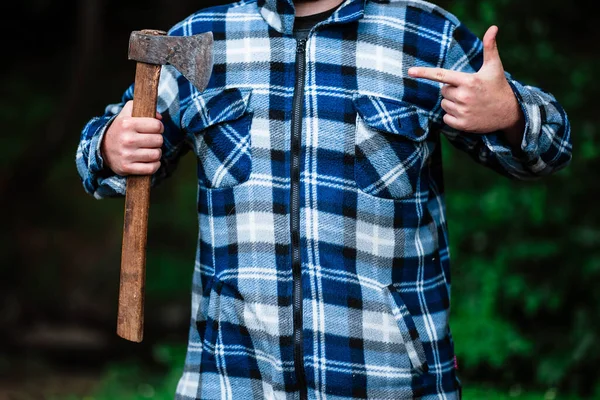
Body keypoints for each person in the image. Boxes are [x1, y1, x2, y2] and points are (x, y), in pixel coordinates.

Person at [76, 0, 572, 398]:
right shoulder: (203, 37)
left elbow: (551, 149)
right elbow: (98, 160)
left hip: (392, 380)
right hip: (232, 378)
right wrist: (109, 147)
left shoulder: (423, 33)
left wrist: (509, 113)